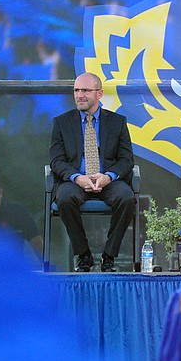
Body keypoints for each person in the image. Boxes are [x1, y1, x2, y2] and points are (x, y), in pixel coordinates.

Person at [49, 72, 136, 272]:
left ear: (99, 93)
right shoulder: (61, 123)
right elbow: (56, 160)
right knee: (64, 198)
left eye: (86, 90)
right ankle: (83, 254)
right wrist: (77, 177)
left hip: (107, 180)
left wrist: (108, 176)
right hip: (75, 181)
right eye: (76, 90)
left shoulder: (117, 122)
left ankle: (109, 256)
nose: (80, 95)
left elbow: (126, 159)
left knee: (126, 198)